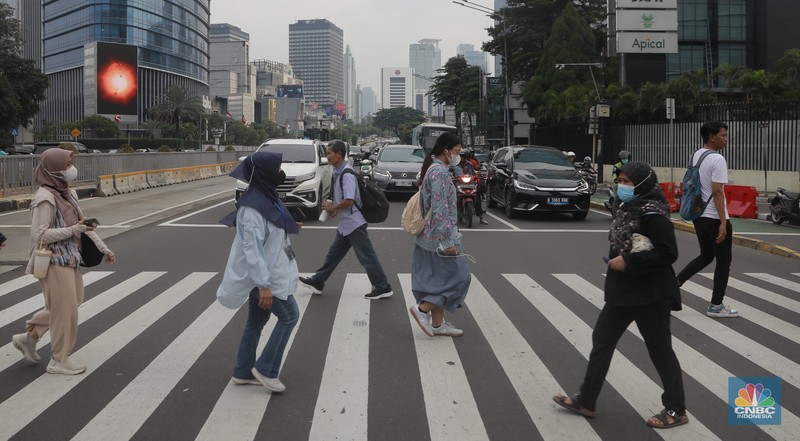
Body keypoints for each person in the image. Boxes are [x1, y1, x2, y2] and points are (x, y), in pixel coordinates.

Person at [553, 161, 688, 429]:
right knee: (602, 340)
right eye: (621, 181)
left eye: (628, 182)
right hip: (623, 292)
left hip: (651, 293)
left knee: (660, 351)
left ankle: (676, 409)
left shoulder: (653, 213)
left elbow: (668, 253)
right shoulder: (626, 207)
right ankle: (586, 400)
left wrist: (628, 261)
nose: (623, 186)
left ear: (642, 184)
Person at [12, 148, 116, 375]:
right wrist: (73, 230)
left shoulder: (68, 194)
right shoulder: (45, 198)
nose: (71, 168)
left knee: (70, 304)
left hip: (70, 258)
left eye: (71, 163)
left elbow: (84, 226)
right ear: (53, 169)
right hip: (52, 262)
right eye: (67, 165)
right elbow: (39, 235)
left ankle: (29, 338)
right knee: (65, 312)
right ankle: (59, 359)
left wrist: (103, 248)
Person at [216, 151, 301, 393]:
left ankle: (243, 371)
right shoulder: (252, 209)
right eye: (277, 168)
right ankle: (266, 369)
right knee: (289, 316)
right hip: (263, 276)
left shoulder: (265, 196)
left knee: (256, 321)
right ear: (265, 173)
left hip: (268, 272)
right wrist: (263, 285)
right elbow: (253, 249)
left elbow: (273, 227)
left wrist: (290, 226)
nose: (281, 173)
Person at [299, 140, 393, 300]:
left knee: (367, 256)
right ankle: (317, 281)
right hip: (346, 224)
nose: (327, 156)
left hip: (354, 224)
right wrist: (336, 209)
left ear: (339, 154)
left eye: (329, 153)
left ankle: (383, 287)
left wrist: (333, 208)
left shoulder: (347, 174)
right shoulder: (340, 172)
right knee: (333, 255)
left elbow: (349, 200)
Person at [408, 133, 472, 337]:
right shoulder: (439, 173)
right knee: (460, 278)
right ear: (446, 150)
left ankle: (437, 324)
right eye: (457, 151)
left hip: (430, 237)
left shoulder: (436, 169)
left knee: (439, 281)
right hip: (439, 239)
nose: (458, 155)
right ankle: (422, 310)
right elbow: (440, 208)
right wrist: (447, 241)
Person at [677, 121, 737, 318]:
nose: (726, 139)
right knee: (723, 261)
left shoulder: (696, 155)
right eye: (723, 135)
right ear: (712, 137)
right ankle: (716, 305)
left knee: (706, 255)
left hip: (698, 215)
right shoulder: (718, 159)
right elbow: (717, 192)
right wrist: (723, 223)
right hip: (713, 217)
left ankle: (674, 284)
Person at [457, 150, 489, 225]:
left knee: (477, 197)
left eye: (463, 157)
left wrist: (476, 176)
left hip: (469, 184)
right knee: (456, 197)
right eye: (460, 157)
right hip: (460, 184)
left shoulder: (469, 164)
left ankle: (481, 218)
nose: (461, 158)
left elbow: (473, 173)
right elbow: (453, 172)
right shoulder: (456, 165)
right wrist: (453, 176)